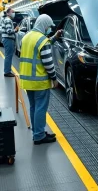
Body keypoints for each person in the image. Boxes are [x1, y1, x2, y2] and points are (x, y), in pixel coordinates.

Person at [20, 14, 62, 145]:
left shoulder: (26, 37)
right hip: (39, 81)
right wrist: (54, 78)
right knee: (41, 108)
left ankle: (37, 132)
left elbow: (39, 47)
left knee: (33, 107)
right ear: (44, 25)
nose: (49, 29)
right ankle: (39, 135)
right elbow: (48, 63)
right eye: (49, 27)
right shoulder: (42, 40)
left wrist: (54, 38)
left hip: (27, 80)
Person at [2, 8, 19, 77]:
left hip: (6, 39)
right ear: (8, 13)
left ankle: (7, 70)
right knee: (8, 56)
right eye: (12, 12)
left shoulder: (6, 20)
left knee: (8, 55)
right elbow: (9, 31)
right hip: (8, 39)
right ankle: (7, 72)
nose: (13, 13)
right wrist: (15, 30)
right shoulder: (8, 20)